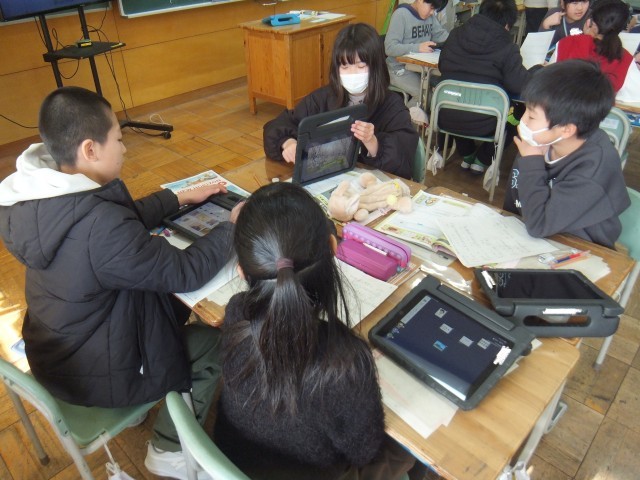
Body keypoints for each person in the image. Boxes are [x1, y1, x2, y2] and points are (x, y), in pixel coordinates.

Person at [0, 86, 241, 480]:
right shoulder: (100, 225)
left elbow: (118, 219)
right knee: (213, 342)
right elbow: (186, 271)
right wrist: (233, 226)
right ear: (90, 150)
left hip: (58, 353)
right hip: (92, 374)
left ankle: (148, 407)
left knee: (166, 301)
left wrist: (178, 197)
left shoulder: (46, 194)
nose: (125, 148)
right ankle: (169, 448)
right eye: (118, 138)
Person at [213, 181, 421, 480]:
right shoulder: (346, 362)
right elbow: (363, 452)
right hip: (313, 473)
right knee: (408, 451)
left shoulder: (236, 312)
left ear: (242, 271)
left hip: (234, 460)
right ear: (334, 247)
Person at [263, 23, 418, 180]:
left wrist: (372, 142)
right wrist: (288, 142)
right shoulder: (323, 98)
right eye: (345, 67)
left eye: (361, 66)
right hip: (327, 180)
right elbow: (277, 125)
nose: (352, 74)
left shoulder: (392, 106)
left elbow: (404, 158)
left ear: (376, 67)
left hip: (369, 185)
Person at [503, 60, 630, 249]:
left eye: (532, 116)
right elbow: (515, 203)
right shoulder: (539, 142)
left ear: (566, 129)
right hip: (531, 240)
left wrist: (532, 162)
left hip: (582, 250)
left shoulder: (593, 169)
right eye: (525, 110)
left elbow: (539, 224)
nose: (523, 121)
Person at [437, 0, 538, 174]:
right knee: (519, 111)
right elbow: (519, 85)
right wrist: (536, 71)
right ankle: (484, 158)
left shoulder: (455, 34)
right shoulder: (507, 46)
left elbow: (442, 66)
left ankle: (467, 153)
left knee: (459, 99)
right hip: (487, 123)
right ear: (507, 24)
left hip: (446, 115)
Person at [550, 0, 639, 102]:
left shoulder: (566, 43)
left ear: (590, 21)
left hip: (561, 107)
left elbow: (550, 81)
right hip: (598, 110)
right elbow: (636, 95)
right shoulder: (625, 58)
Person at [384, 0, 450, 106]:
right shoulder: (401, 15)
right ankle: (403, 116)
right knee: (423, 95)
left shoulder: (430, 17)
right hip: (398, 69)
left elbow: (441, 35)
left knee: (440, 91)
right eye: (431, 8)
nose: (432, 12)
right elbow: (389, 48)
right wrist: (417, 47)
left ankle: (422, 116)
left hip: (419, 69)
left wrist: (457, 39)